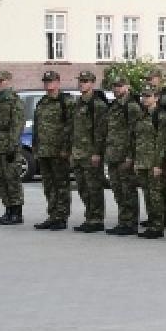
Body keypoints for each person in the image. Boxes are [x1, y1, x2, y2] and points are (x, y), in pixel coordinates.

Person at [102, 75, 143, 235]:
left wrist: (131, 156)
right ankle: (123, 220)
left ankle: (131, 223)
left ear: (127, 87)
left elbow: (136, 134)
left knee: (128, 190)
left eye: (120, 86)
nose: (117, 89)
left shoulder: (132, 106)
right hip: (113, 155)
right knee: (118, 190)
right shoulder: (114, 106)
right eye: (115, 86)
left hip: (125, 156)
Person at [33, 71, 74, 230]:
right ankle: (52, 215)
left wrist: (66, 148)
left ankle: (62, 217)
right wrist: (35, 145)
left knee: (61, 185)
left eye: (51, 81)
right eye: (46, 82)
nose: (48, 85)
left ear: (58, 82)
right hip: (44, 151)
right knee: (48, 185)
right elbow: (37, 126)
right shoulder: (42, 102)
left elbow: (71, 127)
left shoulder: (66, 102)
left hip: (59, 151)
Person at [69, 71, 109, 232]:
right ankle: (89, 216)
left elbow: (101, 130)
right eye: (80, 81)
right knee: (83, 187)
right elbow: (74, 129)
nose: (82, 84)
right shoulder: (78, 102)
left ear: (92, 83)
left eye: (85, 81)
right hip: (78, 152)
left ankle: (97, 219)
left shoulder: (97, 104)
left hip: (91, 152)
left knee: (94, 187)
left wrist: (97, 152)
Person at [0, 71, 26, 224]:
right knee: (1, 179)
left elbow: (17, 125)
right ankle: (8, 209)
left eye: (1, 80)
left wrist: (13, 145)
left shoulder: (14, 100)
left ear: (9, 81)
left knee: (12, 178)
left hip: (9, 144)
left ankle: (17, 212)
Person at [134, 87, 166, 239]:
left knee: (156, 195)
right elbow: (137, 139)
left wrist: (158, 164)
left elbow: (162, 142)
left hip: (153, 162)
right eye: (143, 96)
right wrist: (136, 160)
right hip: (142, 161)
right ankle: (151, 222)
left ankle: (158, 226)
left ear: (156, 98)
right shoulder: (142, 115)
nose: (145, 99)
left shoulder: (160, 116)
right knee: (148, 195)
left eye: (148, 96)